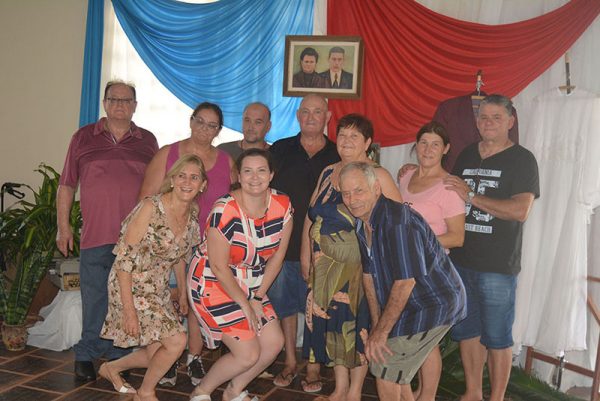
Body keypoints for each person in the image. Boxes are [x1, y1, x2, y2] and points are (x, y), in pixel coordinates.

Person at [56, 80, 158, 381]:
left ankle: (118, 356)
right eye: (114, 99)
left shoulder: (148, 141)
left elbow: (157, 190)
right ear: (104, 103)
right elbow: (66, 185)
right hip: (95, 236)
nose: (120, 105)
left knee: (126, 300)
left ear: (135, 106)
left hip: (134, 240)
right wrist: (63, 227)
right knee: (95, 299)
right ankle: (86, 354)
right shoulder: (82, 137)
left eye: (126, 100)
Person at [339, 161, 467, 401]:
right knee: (390, 359)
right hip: (410, 301)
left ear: (376, 189)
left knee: (385, 366)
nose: (352, 199)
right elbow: (369, 276)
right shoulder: (361, 222)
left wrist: (381, 334)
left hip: (434, 301)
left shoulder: (397, 222)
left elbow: (405, 282)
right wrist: (377, 325)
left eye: (359, 191)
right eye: (346, 194)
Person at [444, 94, 539, 401]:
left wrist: (472, 197)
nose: (488, 123)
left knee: (498, 337)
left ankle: (496, 398)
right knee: (467, 331)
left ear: (511, 121)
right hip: (461, 261)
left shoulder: (523, 159)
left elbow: (520, 210)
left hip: (498, 265)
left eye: (496, 117)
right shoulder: (467, 154)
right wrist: (414, 170)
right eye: (483, 117)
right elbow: (448, 191)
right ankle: (473, 392)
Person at [301, 114, 402, 401]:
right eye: (342, 135)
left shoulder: (377, 175)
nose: (346, 141)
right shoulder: (327, 172)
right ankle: (340, 388)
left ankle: (354, 392)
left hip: (360, 271)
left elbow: (398, 221)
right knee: (333, 328)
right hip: (324, 268)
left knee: (356, 328)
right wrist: (306, 256)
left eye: (354, 137)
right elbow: (311, 217)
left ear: (367, 143)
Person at [139, 102, 234, 386]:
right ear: (191, 121)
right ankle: (164, 360)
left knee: (195, 303)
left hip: (208, 246)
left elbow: (234, 203)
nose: (204, 129)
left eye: (212, 125)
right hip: (168, 244)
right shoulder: (168, 154)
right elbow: (146, 198)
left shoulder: (226, 161)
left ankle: (194, 358)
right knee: (165, 299)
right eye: (200, 121)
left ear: (218, 130)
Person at [187, 149, 293, 401]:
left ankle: (233, 391)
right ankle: (201, 392)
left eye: (261, 170)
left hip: (253, 283)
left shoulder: (283, 205)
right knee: (247, 354)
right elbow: (219, 266)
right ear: (238, 176)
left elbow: (277, 257)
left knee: (273, 343)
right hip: (212, 281)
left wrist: (257, 297)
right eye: (248, 171)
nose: (255, 177)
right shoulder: (224, 210)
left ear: (271, 174)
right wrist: (245, 304)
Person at [98, 155, 205, 400]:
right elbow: (124, 259)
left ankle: (111, 368)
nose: (187, 182)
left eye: (194, 177)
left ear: (202, 185)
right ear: (172, 180)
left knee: (156, 351)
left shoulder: (191, 217)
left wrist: (183, 294)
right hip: (130, 284)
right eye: (181, 176)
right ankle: (146, 393)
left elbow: (180, 258)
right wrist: (129, 310)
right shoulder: (151, 207)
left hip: (158, 288)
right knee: (177, 341)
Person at [268, 94, 340, 392]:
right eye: (305, 112)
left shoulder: (339, 153)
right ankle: (289, 361)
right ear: (298, 116)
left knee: (317, 308)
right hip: (282, 244)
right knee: (285, 307)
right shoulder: (280, 149)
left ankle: (313, 367)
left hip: (325, 248)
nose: (311, 117)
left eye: (317, 112)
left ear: (328, 117)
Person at [397, 121, 465, 401]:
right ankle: (413, 392)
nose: (428, 149)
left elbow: (457, 237)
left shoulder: (448, 187)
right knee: (408, 335)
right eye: (423, 143)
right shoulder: (405, 177)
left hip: (431, 272)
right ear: (416, 146)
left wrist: (420, 242)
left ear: (445, 149)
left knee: (427, 340)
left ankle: (427, 396)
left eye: (435, 144)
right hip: (404, 270)